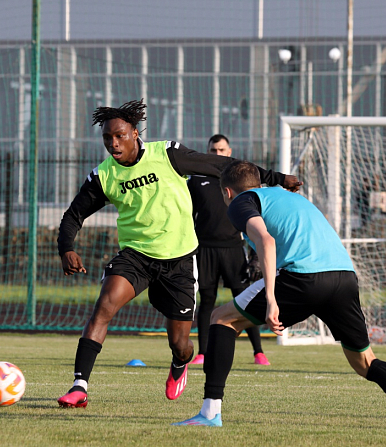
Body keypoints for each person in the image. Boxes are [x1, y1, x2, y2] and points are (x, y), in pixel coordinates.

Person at [173, 160, 386, 431]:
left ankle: (210, 413)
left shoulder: (241, 202)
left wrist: (272, 298)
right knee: (366, 363)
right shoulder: (289, 197)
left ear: (227, 191)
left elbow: (266, 240)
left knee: (222, 318)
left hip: (304, 277)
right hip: (344, 277)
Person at [56, 100, 301, 408]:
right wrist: (66, 247)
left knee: (180, 343)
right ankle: (79, 386)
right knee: (104, 307)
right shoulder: (103, 176)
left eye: (119, 135)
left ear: (135, 133)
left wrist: (276, 178)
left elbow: (224, 166)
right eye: (107, 138)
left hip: (180, 262)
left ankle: (180, 362)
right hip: (136, 257)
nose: (113, 143)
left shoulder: (168, 154)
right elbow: (73, 215)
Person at [188, 134, 272, 366]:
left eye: (221, 150)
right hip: (205, 250)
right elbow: (187, 215)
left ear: (229, 152)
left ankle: (258, 352)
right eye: (213, 150)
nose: (217, 154)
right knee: (207, 300)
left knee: (243, 298)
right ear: (207, 152)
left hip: (234, 249)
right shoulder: (196, 180)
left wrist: (254, 253)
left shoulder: (238, 179)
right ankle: (203, 353)